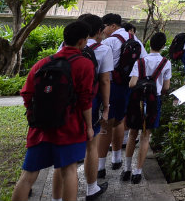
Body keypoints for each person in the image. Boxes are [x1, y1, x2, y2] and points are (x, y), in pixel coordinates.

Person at [11, 20, 96, 201]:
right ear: (82, 41)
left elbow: (26, 93)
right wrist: (89, 126)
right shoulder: (85, 65)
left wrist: (36, 114)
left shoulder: (43, 63)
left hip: (40, 128)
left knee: (28, 176)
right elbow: (85, 100)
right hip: (70, 127)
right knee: (69, 171)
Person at [52, 14, 113, 200]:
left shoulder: (64, 46)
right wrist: (106, 107)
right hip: (89, 102)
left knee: (63, 153)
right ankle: (91, 188)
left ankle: (57, 197)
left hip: (63, 102)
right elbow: (104, 80)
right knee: (91, 145)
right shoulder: (103, 50)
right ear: (97, 31)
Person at [97, 13, 146, 177]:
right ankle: (117, 159)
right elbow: (143, 61)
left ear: (112, 26)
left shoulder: (109, 42)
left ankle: (100, 167)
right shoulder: (136, 39)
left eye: (104, 27)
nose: (102, 31)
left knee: (105, 126)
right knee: (119, 121)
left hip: (111, 87)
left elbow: (102, 69)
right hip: (128, 88)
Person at [121, 32, 171, 184]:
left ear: (149, 44)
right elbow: (166, 87)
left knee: (132, 135)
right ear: (163, 46)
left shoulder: (140, 61)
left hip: (137, 101)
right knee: (145, 136)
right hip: (153, 101)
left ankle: (127, 169)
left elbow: (131, 84)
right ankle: (137, 172)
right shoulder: (165, 63)